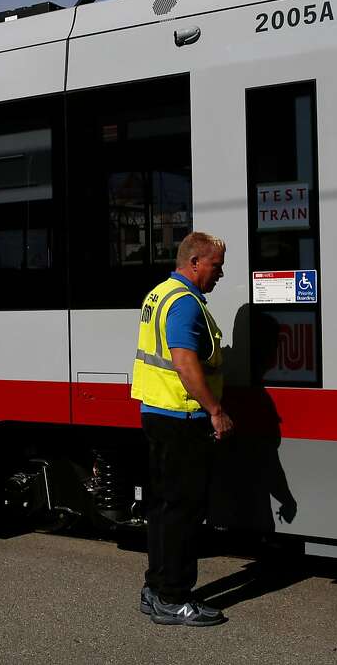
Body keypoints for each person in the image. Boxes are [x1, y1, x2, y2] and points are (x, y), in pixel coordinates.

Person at [131, 231, 233, 626]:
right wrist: (215, 409)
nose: (220, 274)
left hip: (158, 413)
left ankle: (156, 591)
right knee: (182, 512)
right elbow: (184, 360)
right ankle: (174, 598)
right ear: (194, 263)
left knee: (162, 509)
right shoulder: (185, 304)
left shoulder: (159, 294)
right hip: (182, 419)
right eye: (215, 266)